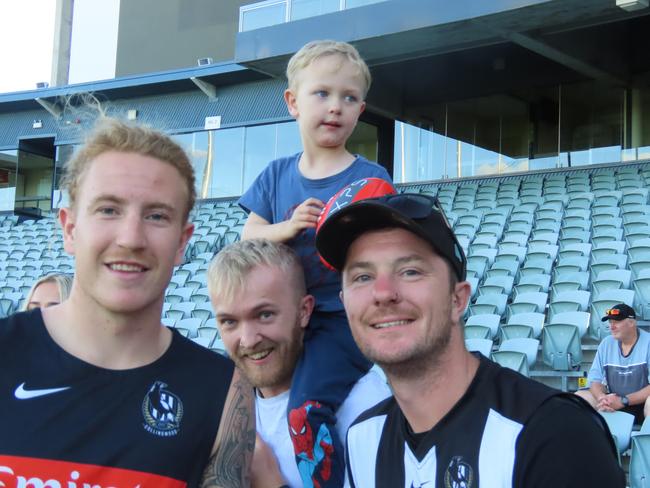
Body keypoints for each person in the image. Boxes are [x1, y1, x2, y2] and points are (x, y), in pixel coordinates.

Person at [0, 117, 254, 487]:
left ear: (183, 242)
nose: (131, 238)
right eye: (108, 209)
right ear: (70, 229)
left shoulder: (223, 392)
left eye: (156, 216)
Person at [315, 192, 624, 487]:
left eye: (410, 271)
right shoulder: (363, 439)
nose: (382, 293)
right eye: (362, 277)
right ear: (344, 302)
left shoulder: (553, 434)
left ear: (457, 299)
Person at [238, 40, 392, 486]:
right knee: (227, 401)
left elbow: (382, 252)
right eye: (321, 93)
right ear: (292, 102)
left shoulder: (370, 179)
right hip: (284, 318)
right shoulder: (275, 175)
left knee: (306, 409)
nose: (335, 107)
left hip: (337, 320)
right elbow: (248, 237)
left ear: (360, 109)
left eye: (348, 98)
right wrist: (283, 229)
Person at [207, 239, 391, 488]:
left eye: (265, 315)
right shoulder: (222, 404)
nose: (248, 341)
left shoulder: (365, 403)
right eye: (229, 322)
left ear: (304, 311)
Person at [576, 303, 650, 424]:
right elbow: (595, 381)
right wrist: (602, 398)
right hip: (612, 401)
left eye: (617, 322)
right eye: (610, 322)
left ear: (631, 322)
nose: (612, 327)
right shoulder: (606, 344)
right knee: (579, 398)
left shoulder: (648, 342)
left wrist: (623, 401)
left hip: (641, 403)